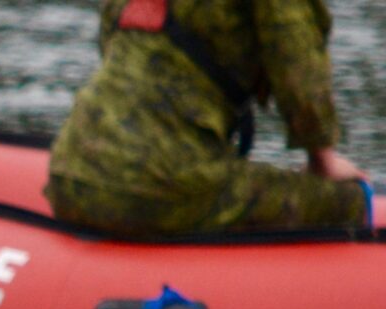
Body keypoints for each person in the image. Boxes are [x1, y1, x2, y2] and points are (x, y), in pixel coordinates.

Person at [46, 0, 370, 238]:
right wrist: (321, 159)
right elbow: (296, 61)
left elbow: (111, 34)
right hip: (163, 184)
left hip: (70, 169)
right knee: (347, 203)